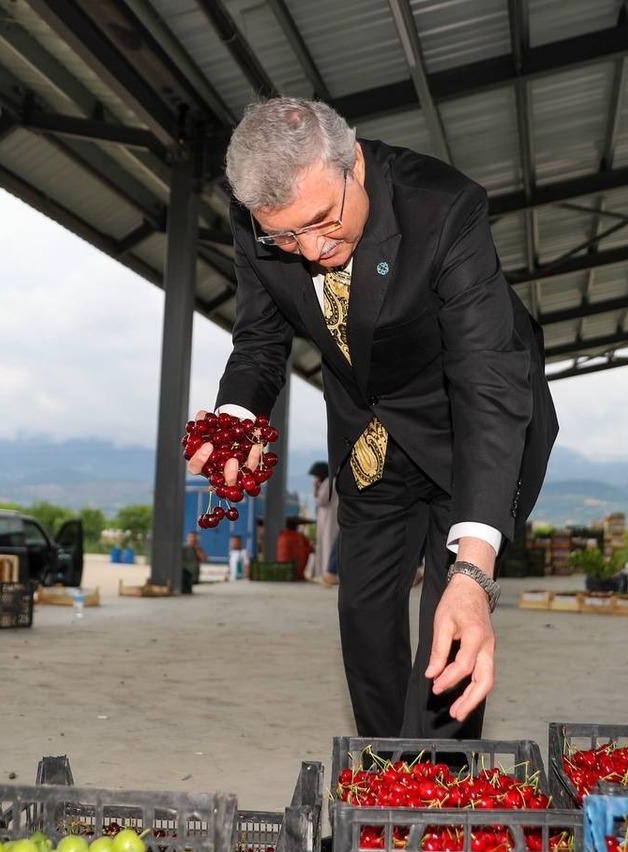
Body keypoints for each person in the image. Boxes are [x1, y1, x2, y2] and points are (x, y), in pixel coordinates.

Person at [185, 97, 557, 739]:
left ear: (353, 163)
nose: (310, 250)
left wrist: (474, 573)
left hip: (466, 433)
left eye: (322, 222)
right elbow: (260, 340)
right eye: (286, 237)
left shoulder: (443, 208)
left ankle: (438, 787)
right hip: (369, 436)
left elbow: (487, 383)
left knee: (449, 634)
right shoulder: (258, 221)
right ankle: (384, 777)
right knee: (364, 622)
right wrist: (234, 422)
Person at [310, 461, 338, 582]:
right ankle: (328, 573)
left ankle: (328, 573)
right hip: (330, 518)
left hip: (328, 518)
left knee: (327, 545)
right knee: (328, 544)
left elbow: (321, 500)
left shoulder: (328, 483)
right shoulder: (333, 481)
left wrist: (316, 487)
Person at [276, 517, 314, 581]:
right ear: (296, 527)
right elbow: (309, 550)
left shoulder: (281, 536)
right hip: (296, 574)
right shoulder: (300, 537)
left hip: (282, 572)